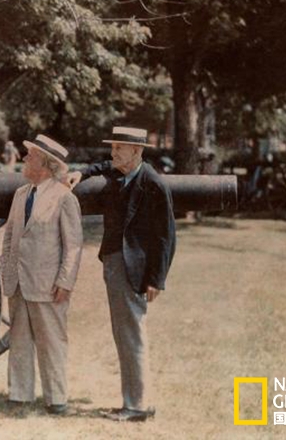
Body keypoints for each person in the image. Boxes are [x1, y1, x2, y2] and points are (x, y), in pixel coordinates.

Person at [67, 126, 176, 422]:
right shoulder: (121, 172)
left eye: (119, 148)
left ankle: (136, 406)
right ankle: (135, 401)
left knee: (131, 335)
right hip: (115, 263)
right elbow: (104, 165)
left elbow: (166, 237)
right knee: (124, 334)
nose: (112, 153)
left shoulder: (153, 183)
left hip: (134, 269)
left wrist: (156, 279)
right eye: (113, 147)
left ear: (137, 152)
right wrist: (82, 173)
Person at [0, 135, 83, 415]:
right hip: (18, 282)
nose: (24, 159)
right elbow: (10, 236)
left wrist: (65, 282)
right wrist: (7, 271)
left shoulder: (64, 198)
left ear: (46, 165)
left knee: (52, 341)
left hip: (47, 284)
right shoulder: (20, 194)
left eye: (31, 156)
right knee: (19, 339)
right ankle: (19, 394)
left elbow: (73, 246)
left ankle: (56, 399)